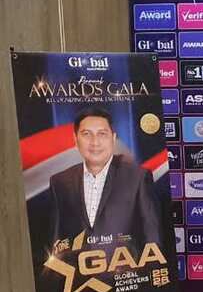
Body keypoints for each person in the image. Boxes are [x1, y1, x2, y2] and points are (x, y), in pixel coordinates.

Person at [49, 107, 163, 252]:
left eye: (102, 134)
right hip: (77, 266)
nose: (95, 142)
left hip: (126, 266)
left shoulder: (138, 178)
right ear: (75, 140)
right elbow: (57, 244)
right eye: (86, 134)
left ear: (113, 138)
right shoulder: (59, 182)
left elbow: (153, 239)